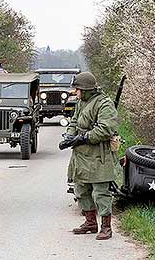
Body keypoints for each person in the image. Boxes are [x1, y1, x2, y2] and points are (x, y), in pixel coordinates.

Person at [59, 72, 119, 240]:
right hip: (80, 154)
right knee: (81, 189)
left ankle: (106, 227)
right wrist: (68, 136)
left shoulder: (104, 104)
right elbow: (74, 121)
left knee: (100, 192)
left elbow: (106, 128)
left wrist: (84, 137)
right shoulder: (81, 102)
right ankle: (90, 222)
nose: (75, 92)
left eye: (77, 89)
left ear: (85, 89)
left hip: (98, 154)